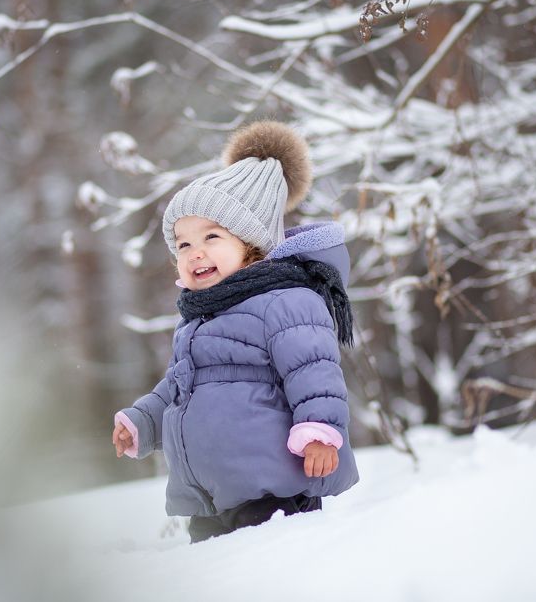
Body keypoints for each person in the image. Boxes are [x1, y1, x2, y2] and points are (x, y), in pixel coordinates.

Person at [111, 121, 359, 543]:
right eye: (183, 244)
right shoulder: (197, 319)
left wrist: (320, 431)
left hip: (273, 491)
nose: (195, 252)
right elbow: (178, 387)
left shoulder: (284, 300)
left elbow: (314, 371)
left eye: (211, 236)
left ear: (252, 243)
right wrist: (142, 421)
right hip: (210, 501)